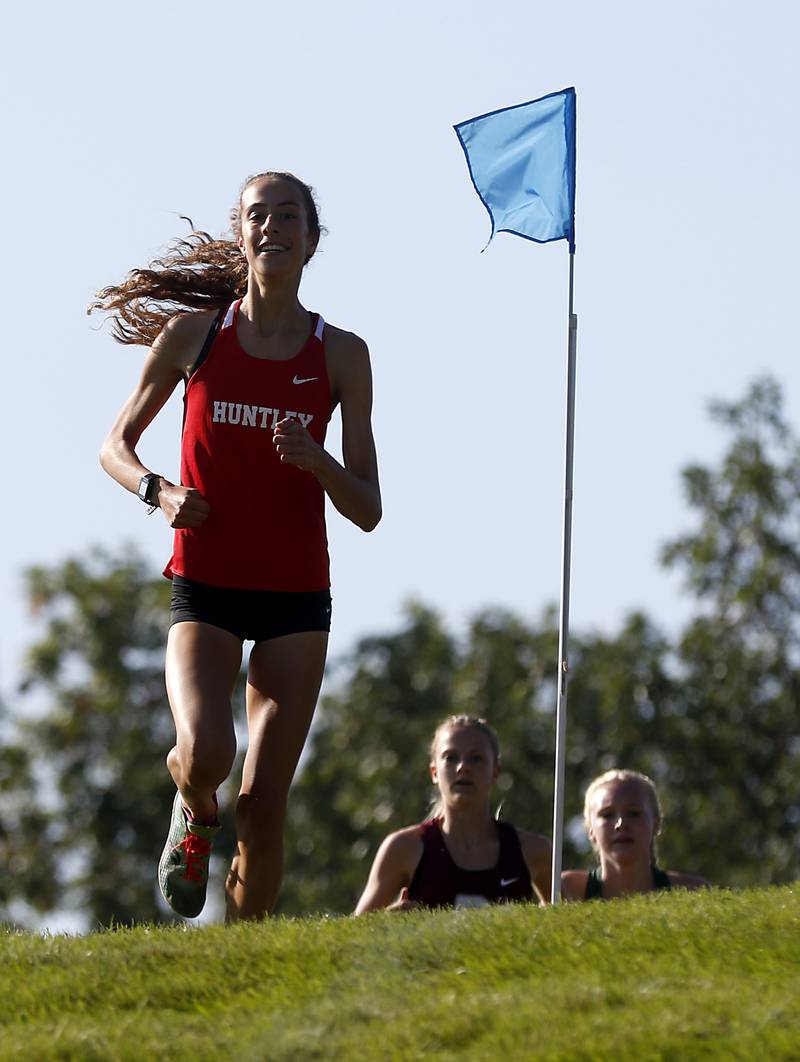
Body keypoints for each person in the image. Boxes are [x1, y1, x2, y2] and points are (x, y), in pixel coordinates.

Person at [95, 171, 381, 921]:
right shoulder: (196, 336)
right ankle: (192, 808)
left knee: (264, 805)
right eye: (259, 214)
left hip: (295, 597)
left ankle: (246, 956)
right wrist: (159, 493)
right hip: (207, 585)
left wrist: (318, 460)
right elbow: (114, 446)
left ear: (312, 240)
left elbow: (369, 509)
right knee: (208, 756)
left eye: (289, 215)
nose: (273, 226)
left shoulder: (344, 356)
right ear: (241, 233)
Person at [355, 715, 551, 913]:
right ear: (434, 772)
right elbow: (353, 934)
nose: (463, 767)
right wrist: (389, 923)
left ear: (495, 772)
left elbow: (568, 925)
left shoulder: (533, 851)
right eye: (450, 757)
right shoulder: (404, 848)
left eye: (476, 758)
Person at [561, 769, 707, 901]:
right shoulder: (567, 891)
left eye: (634, 813)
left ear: (656, 824)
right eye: (607, 815)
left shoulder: (692, 892)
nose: (621, 824)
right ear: (590, 830)